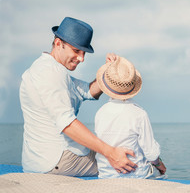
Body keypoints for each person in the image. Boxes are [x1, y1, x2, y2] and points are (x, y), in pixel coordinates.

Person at [20, 17, 137, 176]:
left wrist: (108, 71)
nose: (81, 59)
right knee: (130, 162)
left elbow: (89, 91)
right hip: (57, 161)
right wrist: (111, 153)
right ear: (58, 43)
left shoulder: (52, 70)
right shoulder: (49, 73)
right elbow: (66, 123)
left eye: (83, 53)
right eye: (76, 51)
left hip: (39, 161)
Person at [94, 56, 167, 179]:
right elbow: (150, 153)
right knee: (161, 175)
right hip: (135, 176)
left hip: (105, 175)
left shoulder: (100, 113)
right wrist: (160, 165)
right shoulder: (139, 114)